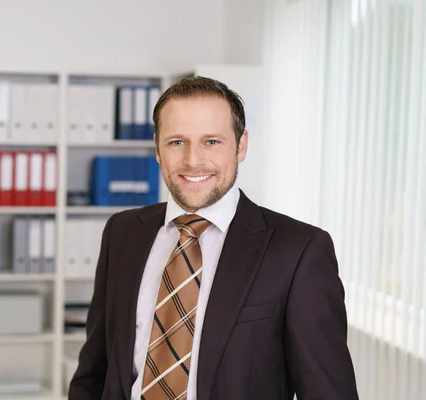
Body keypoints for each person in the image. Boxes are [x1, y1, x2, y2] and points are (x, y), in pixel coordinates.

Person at [68, 76, 359, 400]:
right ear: (157, 148)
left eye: (212, 142)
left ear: (241, 145)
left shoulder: (299, 250)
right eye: (177, 142)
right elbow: (94, 370)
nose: (193, 160)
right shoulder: (122, 232)